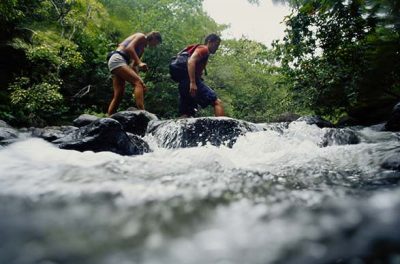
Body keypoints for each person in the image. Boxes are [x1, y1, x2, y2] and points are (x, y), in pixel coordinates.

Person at [107, 31, 162, 115]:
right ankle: (143, 112)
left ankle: (109, 118)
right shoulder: (141, 36)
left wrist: (141, 80)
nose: (155, 45)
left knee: (119, 95)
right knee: (137, 83)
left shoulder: (142, 49)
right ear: (154, 38)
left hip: (120, 62)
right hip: (118, 59)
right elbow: (129, 48)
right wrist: (140, 63)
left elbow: (133, 66)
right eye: (156, 43)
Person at [178, 33, 224, 117]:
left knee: (186, 113)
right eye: (216, 45)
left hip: (183, 83)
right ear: (210, 42)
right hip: (190, 82)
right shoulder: (204, 49)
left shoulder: (194, 49)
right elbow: (191, 61)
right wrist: (193, 82)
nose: (217, 48)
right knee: (217, 102)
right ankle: (222, 129)